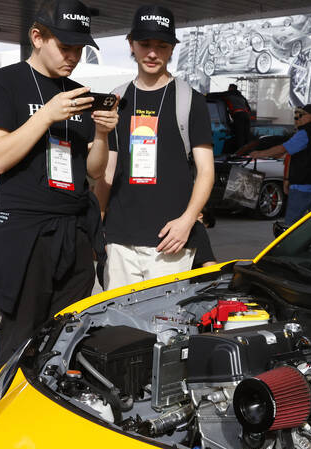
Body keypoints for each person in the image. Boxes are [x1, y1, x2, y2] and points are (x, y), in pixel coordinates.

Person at [0, 0, 119, 368]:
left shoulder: (78, 93)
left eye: (79, 49)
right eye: (65, 47)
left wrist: (101, 134)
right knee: (21, 339)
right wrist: (46, 116)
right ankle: (8, 414)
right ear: (37, 37)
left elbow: (94, 171)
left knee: (67, 338)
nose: (73, 57)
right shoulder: (3, 83)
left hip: (74, 230)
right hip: (26, 233)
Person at [99, 6, 216, 291]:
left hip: (171, 239)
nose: (152, 53)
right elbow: (108, 171)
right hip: (120, 240)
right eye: (145, 44)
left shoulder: (191, 101)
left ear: (172, 49)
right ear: (131, 44)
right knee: (122, 331)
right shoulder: (117, 99)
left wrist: (187, 222)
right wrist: (98, 226)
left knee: (167, 329)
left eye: (161, 46)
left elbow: (206, 171)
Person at [250, 103, 311, 230]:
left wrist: (259, 154)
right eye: (295, 115)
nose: (296, 118)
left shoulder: (305, 133)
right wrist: (286, 179)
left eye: (300, 115)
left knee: (291, 226)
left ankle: (288, 248)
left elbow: (282, 149)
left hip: (302, 188)